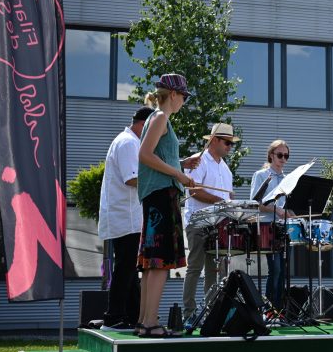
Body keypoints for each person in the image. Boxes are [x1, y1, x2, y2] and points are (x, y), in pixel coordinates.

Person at [136, 73, 199, 337]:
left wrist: (181, 164)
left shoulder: (156, 118)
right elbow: (145, 155)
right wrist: (179, 175)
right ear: (173, 94)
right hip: (161, 195)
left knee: (152, 261)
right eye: (183, 96)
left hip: (156, 194)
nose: (184, 101)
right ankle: (151, 322)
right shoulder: (160, 117)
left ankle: (144, 322)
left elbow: (157, 156)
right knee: (159, 261)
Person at [97, 106, 154, 331]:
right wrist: (160, 180)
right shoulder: (129, 143)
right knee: (126, 268)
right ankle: (114, 317)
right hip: (126, 217)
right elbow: (132, 179)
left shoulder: (130, 141)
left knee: (129, 268)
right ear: (143, 125)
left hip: (128, 216)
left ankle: (130, 315)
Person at [181, 123, 239, 322]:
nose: (230, 147)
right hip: (198, 222)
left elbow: (225, 198)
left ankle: (212, 314)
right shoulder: (199, 161)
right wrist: (221, 200)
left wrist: (228, 202)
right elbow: (194, 191)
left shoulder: (226, 168)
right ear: (214, 140)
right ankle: (188, 314)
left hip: (218, 225)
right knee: (195, 268)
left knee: (215, 271)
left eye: (231, 143)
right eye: (227, 142)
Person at [250, 139, 294, 310]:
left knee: (283, 271)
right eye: (280, 155)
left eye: (286, 156)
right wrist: (276, 210)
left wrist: (291, 213)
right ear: (271, 155)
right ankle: (269, 310)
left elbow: (287, 206)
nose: (283, 159)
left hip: (284, 228)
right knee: (274, 270)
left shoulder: (288, 179)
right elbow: (256, 203)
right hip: (268, 228)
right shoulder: (261, 175)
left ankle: (280, 310)